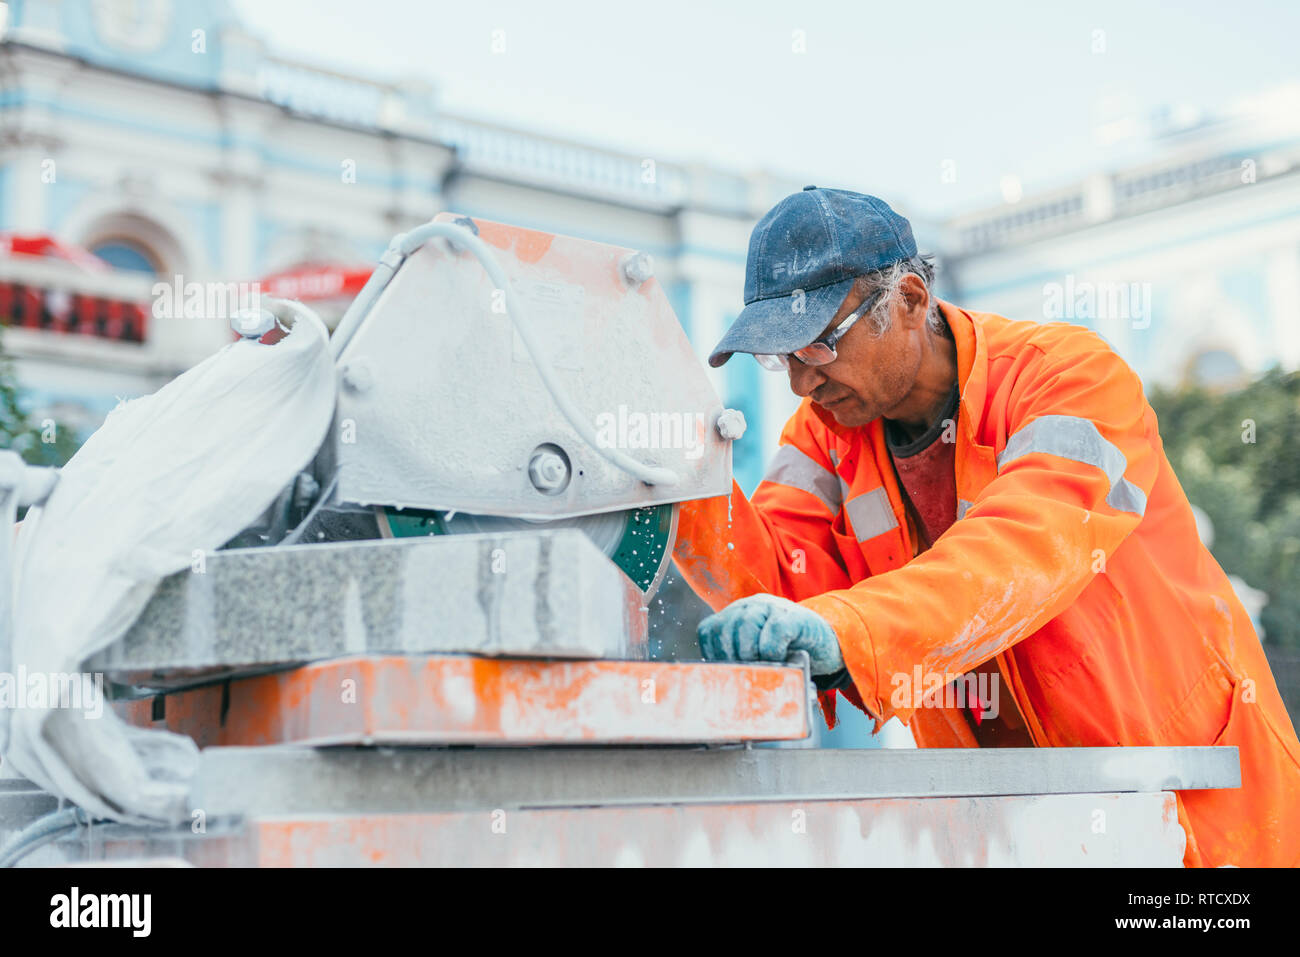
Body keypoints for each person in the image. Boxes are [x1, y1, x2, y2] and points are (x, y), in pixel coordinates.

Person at [672, 186, 1300, 867]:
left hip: (1199, 817)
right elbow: (781, 585)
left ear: (909, 300)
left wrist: (847, 629)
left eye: (818, 345)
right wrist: (667, 479)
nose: (799, 383)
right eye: (777, 357)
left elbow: (1021, 553)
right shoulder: (826, 435)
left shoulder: (1071, 377)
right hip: (1020, 826)